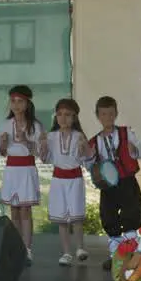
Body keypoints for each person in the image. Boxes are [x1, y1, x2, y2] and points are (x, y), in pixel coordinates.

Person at [88, 95, 141, 270]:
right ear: (98, 116)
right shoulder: (95, 140)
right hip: (108, 184)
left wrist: (134, 149)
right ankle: (115, 256)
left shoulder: (126, 133)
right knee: (108, 215)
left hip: (127, 179)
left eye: (111, 114)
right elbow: (89, 163)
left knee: (132, 213)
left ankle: (132, 254)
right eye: (103, 114)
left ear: (116, 114)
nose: (107, 118)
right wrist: (87, 155)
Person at [0, 85, 45, 264]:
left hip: (27, 169)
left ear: (27, 103)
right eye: (13, 101)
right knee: (14, 211)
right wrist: (2, 144)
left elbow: (40, 152)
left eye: (20, 101)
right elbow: (2, 152)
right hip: (11, 169)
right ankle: (16, 247)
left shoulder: (35, 125)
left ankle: (27, 249)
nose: (16, 105)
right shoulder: (5, 124)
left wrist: (26, 141)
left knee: (25, 209)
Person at [43, 98, 92, 266]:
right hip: (58, 180)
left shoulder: (79, 136)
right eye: (60, 114)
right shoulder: (51, 137)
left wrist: (84, 148)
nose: (63, 118)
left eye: (68, 115)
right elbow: (45, 158)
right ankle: (66, 252)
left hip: (75, 179)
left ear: (75, 117)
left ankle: (80, 248)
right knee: (62, 219)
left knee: (77, 217)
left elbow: (87, 158)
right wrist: (41, 145)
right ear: (56, 117)